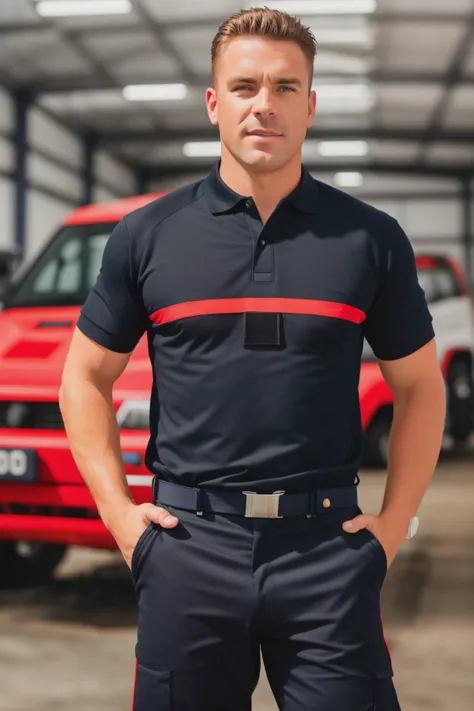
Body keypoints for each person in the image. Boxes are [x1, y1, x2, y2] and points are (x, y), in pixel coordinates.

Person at [60, 7, 446, 711]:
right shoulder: (147, 236)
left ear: (310, 105)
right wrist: (121, 519)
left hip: (327, 551)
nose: (263, 104)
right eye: (244, 87)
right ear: (214, 103)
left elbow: (421, 387)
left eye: (285, 87)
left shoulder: (369, 239)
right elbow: (83, 377)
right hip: (188, 550)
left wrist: (391, 529)